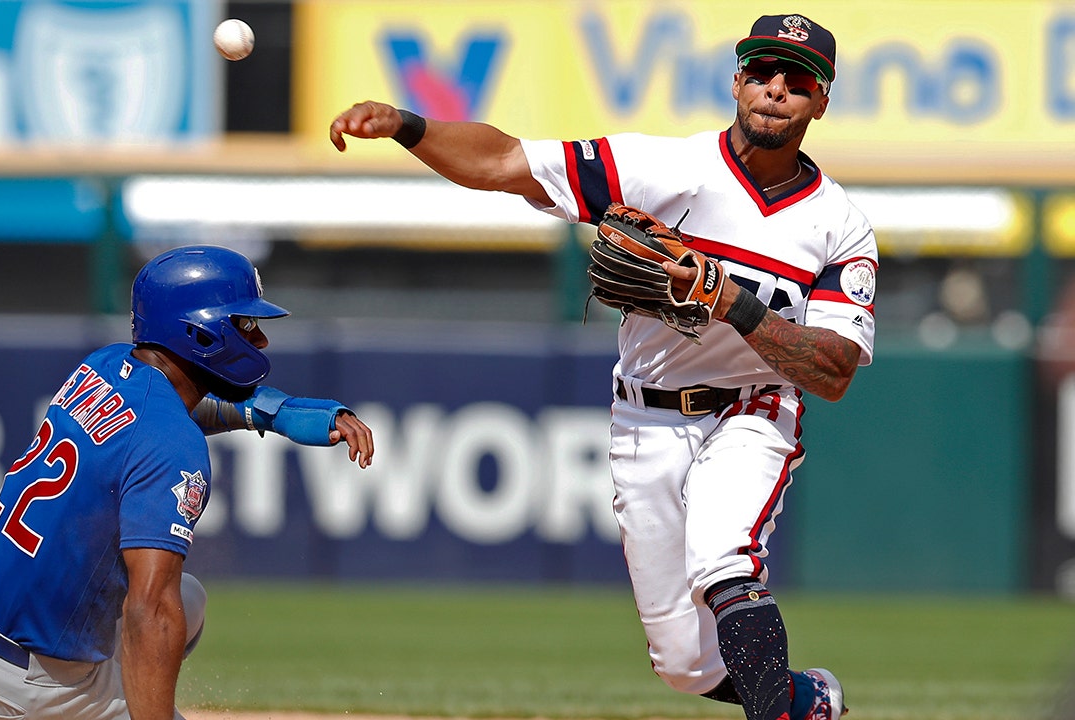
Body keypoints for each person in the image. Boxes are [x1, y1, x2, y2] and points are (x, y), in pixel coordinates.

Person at [329, 12, 873, 720]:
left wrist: (724, 298)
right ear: (736, 80)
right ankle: (807, 702)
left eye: (796, 80)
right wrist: (407, 125)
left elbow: (832, 372)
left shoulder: (839, 224)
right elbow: (504, 162)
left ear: (821, 101)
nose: (776, 88)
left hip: (752, 407)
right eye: (762, 71)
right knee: (683, 665)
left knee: (725, 559)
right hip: (646, 412)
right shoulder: (663, 169)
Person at [0, 245, 375, 720]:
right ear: (200, 332)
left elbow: (174, 414)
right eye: (245, 324)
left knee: (190, 599)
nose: (260, 339)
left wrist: (281, 413)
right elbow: (150, 611)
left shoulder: (104, 365)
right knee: (165, 607)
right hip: (30, 693)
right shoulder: (173, 443)